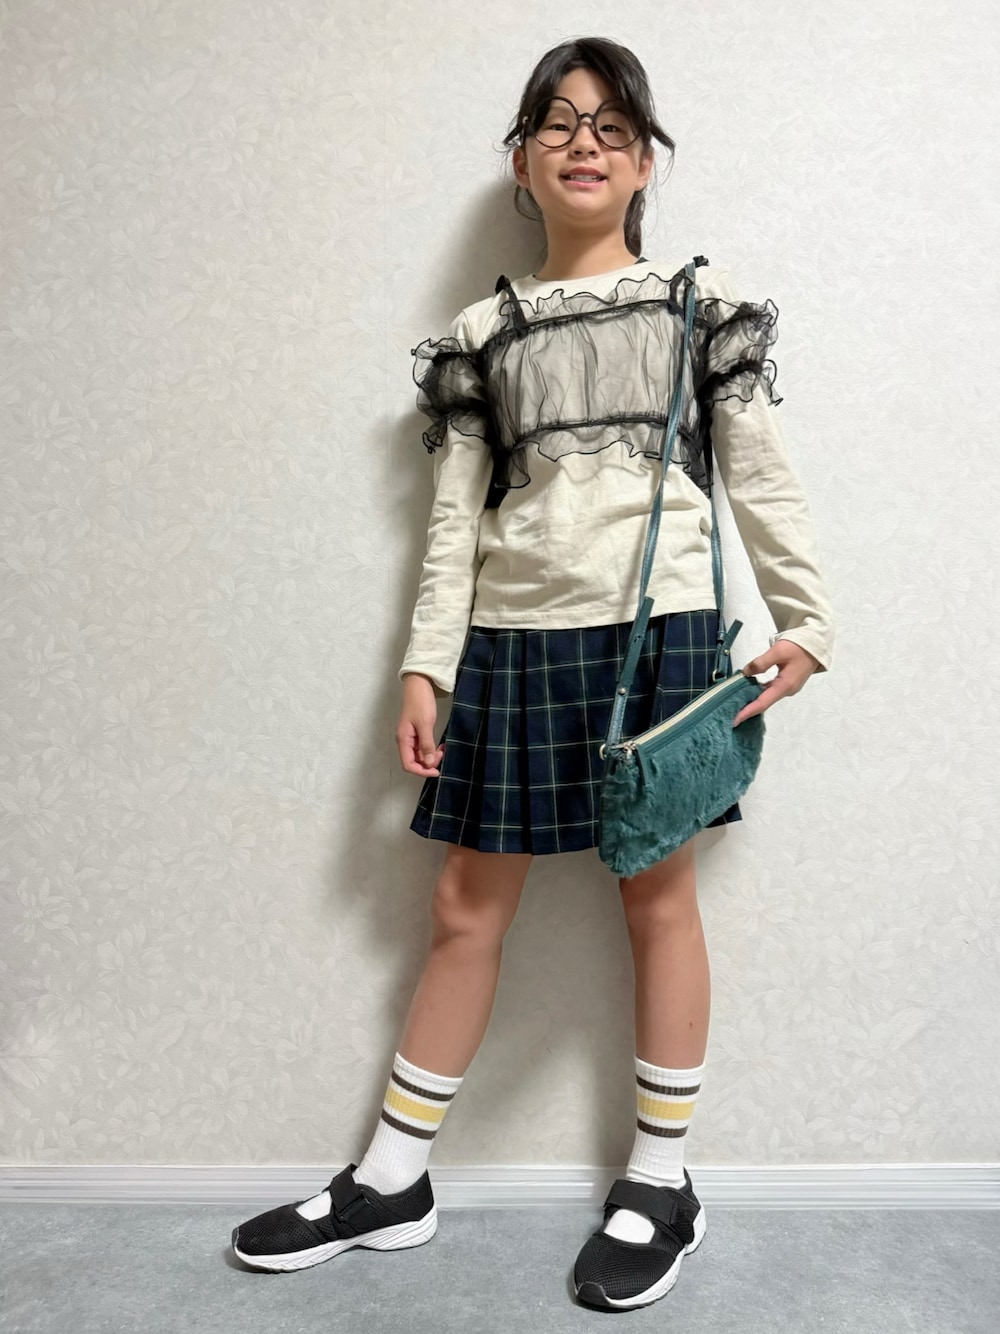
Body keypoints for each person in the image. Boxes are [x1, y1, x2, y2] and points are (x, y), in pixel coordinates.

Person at [230, 35, 835, 1313]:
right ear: (519, 158)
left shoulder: (699, 307)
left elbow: (760, 473)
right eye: (556, 122)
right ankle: (393, 1178)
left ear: (646, 161)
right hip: (509, 640)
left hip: (659, 636)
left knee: (656, 900)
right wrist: (425, 666)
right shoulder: (480, 334)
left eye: (611, 126)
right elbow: (453, 522)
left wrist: (809, 617)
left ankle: (660, 1181)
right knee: (464, 905)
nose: (583, 143)